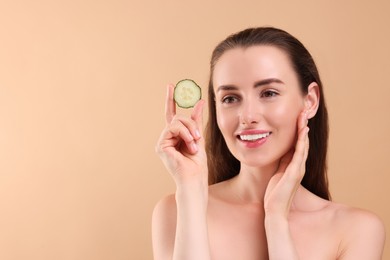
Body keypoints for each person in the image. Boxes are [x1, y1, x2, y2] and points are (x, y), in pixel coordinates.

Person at [152, 27, 385, 260]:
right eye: (230, 98)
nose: (247, 115)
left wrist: (276, 220)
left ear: (310, 100)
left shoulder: (357, 230)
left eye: (269, 93)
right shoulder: (176, 210)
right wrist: (191, 191)